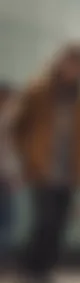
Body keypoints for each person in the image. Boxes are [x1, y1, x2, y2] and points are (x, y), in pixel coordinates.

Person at [12, 43, 80, 283]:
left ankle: (45, 277)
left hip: (68, 174)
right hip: (42, 171)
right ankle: (30, 278)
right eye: (70, 63)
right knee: (44, 224)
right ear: (60, 63)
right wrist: (26, 158)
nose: (74, 70)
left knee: (57, 229)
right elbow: (15, 126)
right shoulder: (39, 90)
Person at [0, 83, 17, 263]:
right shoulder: (7, 120)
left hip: (5, 177)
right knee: (6, 222)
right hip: (4, 177)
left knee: (7, 222)